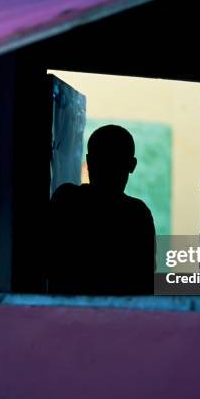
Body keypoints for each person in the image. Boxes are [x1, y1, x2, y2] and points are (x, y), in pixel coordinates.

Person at [47, 125, 156, 295]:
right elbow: (146, 284)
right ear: (132, 165)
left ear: (89, 161)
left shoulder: (65, 199)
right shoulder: (137, 214)